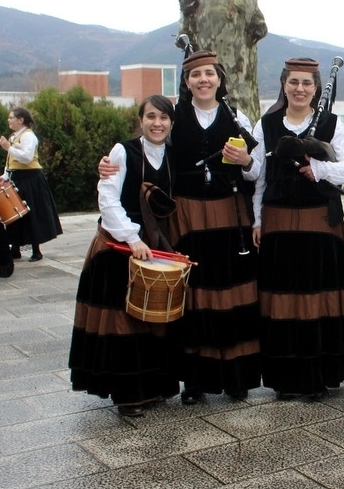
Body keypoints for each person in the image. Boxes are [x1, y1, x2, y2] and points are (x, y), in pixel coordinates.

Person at [99, 50, 261, 405]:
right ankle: (195, 381)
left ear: (219, 79)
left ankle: (236, 378)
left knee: (231, 292)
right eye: (195, 74)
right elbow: (150, 150)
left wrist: (247, 160)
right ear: (186, 82)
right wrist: (109, 164)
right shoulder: (175, 118)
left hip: (229, 213)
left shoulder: (238, 117)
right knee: (193, 296)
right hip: (186, 216)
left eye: (209, 73)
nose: (203, 80)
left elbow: (256, 171)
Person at [69, 95, 181, 416]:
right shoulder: (123, 151)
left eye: (163, 117)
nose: (157, 123)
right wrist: (132, 238)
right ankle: (128, 395)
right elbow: (107, 198)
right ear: (140, 120)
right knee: (123, 321)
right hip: (118, 246)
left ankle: (153, 387)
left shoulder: (173, 155)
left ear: (171, 123)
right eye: (150, 117)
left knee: (152, 320)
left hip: (154, 245)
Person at [250, 58, 344, 399]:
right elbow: (259, 178)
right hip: (278, 221)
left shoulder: (331, 123)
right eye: (293, 82)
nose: (300, 88)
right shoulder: (266, 124)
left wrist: (319, 170)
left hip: (319, 222)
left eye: (307, 83)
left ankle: (318, 376)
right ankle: (286, 378)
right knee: (282, 300)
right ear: (283, 84)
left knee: (317, 298)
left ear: (315, 87)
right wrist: (257, 220)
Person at [0, 107, 63, 262]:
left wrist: (8, 147)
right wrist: (5, 176)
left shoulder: (28, 136)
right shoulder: (14, 136)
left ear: (21, 120)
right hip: (17, 177)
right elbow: (11, 161)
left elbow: (26, 158)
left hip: (30, 179)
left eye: (11, 117)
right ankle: (15, 248)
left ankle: (36, 250)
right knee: (14, 213)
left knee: (31, 212)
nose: (8, 120)